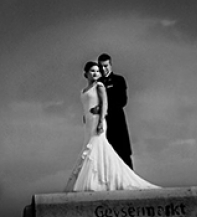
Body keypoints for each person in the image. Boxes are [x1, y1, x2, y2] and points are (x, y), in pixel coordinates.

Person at [65, 61, 158, 192]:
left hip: (98, 121)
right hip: (88, 123)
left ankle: (99, 181)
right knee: (90, 147)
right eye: (92, 71)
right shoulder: (84, 90)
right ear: (85, 74)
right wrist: (85, 117)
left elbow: (105, 104)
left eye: (97, 71)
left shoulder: (100, 86)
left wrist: (101, 121)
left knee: (97, 148)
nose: (96, 73)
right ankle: (99, 180)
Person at [98, 53, 133, 169]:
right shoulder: (97, 83)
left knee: (123, 151)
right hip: (103, 121)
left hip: (117, 119)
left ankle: (129, 178)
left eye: (106, 65)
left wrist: (105, 107)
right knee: (106, 152)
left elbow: (123, 101)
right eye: (101, 66)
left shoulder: (119, 80)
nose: (103, 69)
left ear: (111, 65)